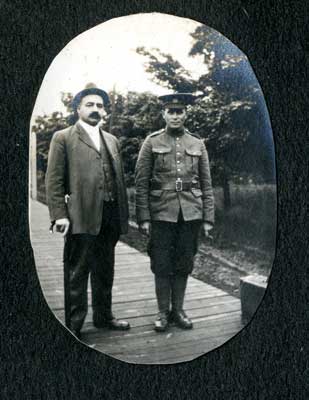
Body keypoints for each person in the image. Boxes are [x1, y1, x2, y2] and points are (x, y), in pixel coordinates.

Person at [45, 84, 130, 339]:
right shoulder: (63, 137)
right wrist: (59, 214)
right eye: (90, 105)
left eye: (100, 106)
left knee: (105, 270)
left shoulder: (112, 140)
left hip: (110, 215)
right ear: (78, 109)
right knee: (78, 271)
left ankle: (104, 317)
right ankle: (73, 325)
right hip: (80, 215)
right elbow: (54, 180)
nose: (96, 109)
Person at [135, 93, 214, 332]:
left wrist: (208, 217)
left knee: (183, 262)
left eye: (180, 111)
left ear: (186, 114)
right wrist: (144, 217)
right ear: (164, 114)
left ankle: (178, 311)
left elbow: (206, 184)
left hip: (190, 213)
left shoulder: (197, 143)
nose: (176, 116)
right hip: (161, 213)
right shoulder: (151, 142)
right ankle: (162, 312)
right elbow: (141, 182)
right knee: (161, 263)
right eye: (171, 111)